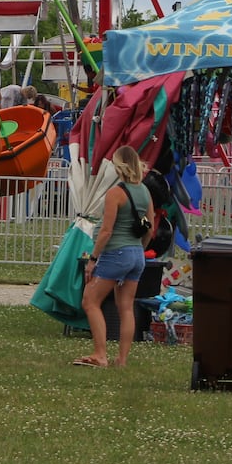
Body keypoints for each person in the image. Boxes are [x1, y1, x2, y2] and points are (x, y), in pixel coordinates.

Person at [74, 146, 155, 368]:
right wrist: (139, 248)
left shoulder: (115, 193)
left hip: (116, 253)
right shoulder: (144, 192)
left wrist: (93, 259)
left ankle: (100, 354)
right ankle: (122, 359)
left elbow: (106, 231)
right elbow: (150, 228)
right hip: (137, 255)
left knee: (90, 301)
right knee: (126, 307)